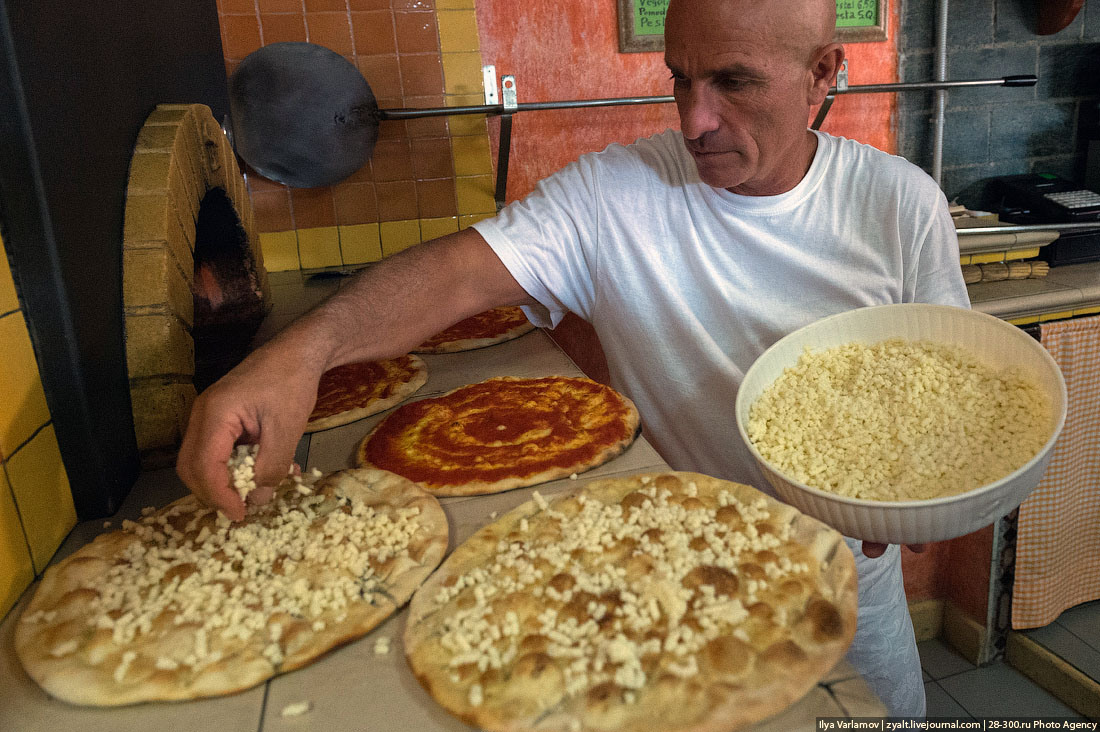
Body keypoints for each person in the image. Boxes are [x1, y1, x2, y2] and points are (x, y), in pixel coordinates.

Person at [177, 0, 968, 717]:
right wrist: (299, 352)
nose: (696, 120)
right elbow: (454, 272)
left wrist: (924, 490)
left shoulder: (899, 207)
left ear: (822, 73)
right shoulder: (615, 193)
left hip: (847, 591)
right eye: (680, 78)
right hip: (671, 579)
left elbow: (943, 399)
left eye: (734, 82)